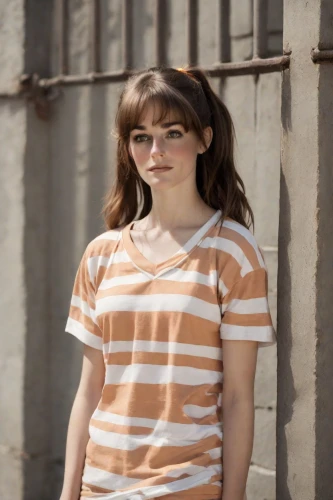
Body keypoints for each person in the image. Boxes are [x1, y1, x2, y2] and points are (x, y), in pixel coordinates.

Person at [59, 66, 276, 500]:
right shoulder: (101, 255)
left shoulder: (232, 251)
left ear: (204, 139)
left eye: (173, 132)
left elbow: (236, 399)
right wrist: (68, 493)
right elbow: (90, 390)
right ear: (128, 148)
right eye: (141, 137)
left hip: (187, 487)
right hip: (99, 487)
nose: (156, 150)